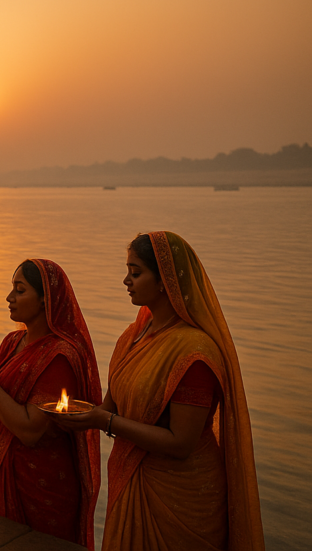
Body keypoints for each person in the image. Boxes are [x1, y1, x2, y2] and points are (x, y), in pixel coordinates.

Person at [53, 232, 264, 551]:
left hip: (180, 499)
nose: (126, 280)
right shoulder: (131, 338)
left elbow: (181, 443)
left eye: (136, 273)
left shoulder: (194, 352)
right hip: (131, 481)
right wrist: (77, 413)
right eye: (128, 271)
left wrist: (101, 422)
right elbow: (110, 407)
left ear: (165, 279)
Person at [0, 259, 102, 549]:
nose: (9, 298)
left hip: (42, 486)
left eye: (19, 290)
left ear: (46, 300)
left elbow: (30, 430)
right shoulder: (12, 342)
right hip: (2, 477)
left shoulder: (60, 357)